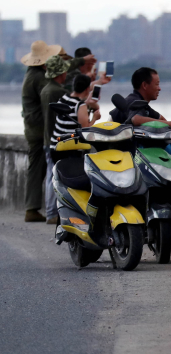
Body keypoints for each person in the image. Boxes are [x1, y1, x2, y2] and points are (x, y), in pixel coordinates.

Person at [20, 40, 94, 222]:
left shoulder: (32, 74)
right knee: (42, 170)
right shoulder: (40, 79)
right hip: (39, 131)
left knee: (37, 168)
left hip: (32, 128)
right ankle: (38, 209)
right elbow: (61, 81)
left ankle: (34, 208)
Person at [110, 67, 171, 162]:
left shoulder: (143, 105)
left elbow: (161, 119)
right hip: (119, 151)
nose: (159, 88)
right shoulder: (133, 101)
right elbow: (136, 119)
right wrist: (170, 124)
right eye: (157, 84)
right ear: (145, 85)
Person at [40, 55, 74, 225]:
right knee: (55, 176)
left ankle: (50, 212)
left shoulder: (46, 89)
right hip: (57, 140)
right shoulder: (57, 92)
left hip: (47, 138)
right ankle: (52, 213)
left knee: (49, 175)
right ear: (60, 73)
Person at [52, 75, 101, 144]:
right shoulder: (80, 105)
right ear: (87, 89)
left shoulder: (64, 97)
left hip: (55, 143)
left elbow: (74, 109)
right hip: (68, 148)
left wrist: (87, 101)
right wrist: (94, 118)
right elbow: (85, 131)